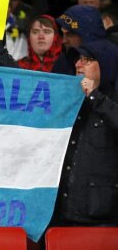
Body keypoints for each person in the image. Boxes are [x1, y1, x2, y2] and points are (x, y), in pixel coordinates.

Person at [51, 39, 118, 227]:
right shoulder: (69, 97)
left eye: (87, 60)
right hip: (59, 212)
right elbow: (27, 84)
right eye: (78, 59)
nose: (78, 65)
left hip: (100, 217)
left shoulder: (111, 102)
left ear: (105, 65)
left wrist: (95, 97)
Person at [52, 4, 107, 75]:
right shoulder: (63, 62)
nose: (64, 41)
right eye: (63, 34)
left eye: (69, 34)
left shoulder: (111, 61)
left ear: (87, 34)